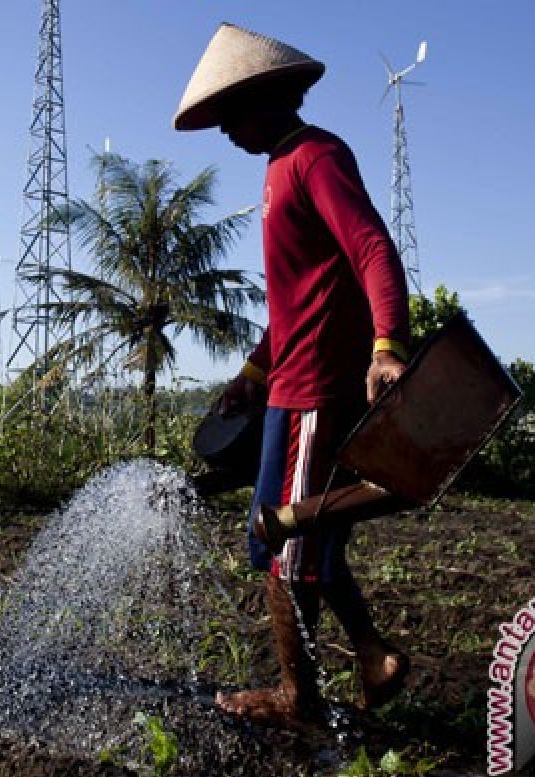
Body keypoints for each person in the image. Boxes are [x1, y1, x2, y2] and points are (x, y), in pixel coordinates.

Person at [175, 23, 412, 728]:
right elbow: (297, 297)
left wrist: (386, 345)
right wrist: (252, 373)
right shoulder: (279, 168)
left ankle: (297, 699)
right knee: (295, 534)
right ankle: (372, 655)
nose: (223, 130)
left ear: (272, 97)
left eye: (231, 113)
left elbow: (372, 246)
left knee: (284, 538)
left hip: (315, 391)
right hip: (286, 385)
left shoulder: (315, 157)